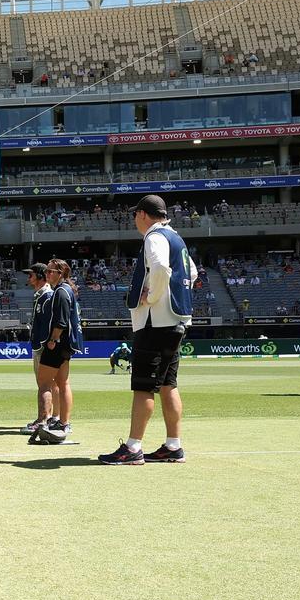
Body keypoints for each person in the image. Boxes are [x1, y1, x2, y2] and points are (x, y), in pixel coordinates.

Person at [99, 195, 197, 465]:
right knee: (168, 384)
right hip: (176, 319)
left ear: (143, 214)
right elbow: (193, 273)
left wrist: (151, 296)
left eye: (135, 215)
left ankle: (132, 449)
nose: (134, 220)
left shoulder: (155, 237)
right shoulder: (177, 238)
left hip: (156, 321)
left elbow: (161, 268)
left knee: (144, 386)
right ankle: (173, 445)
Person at [34, 259, 83, 444]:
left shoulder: (61, 292)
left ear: (60, 273)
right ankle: (64, 423)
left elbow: (61, 321)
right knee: (63, 382)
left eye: (50, 271)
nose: (46, 274)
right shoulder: (64, 290)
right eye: (46, 271)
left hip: (58, 342)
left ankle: (44, 421)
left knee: (44, 382)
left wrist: (53, 340)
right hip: (66, 344)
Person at [20, 264, 56, 434]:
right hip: (40, 346)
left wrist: (41, 343)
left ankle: (44, 419)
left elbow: (48, 323)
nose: (28, 278)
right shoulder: (41, 295)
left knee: (44, 385)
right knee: (46, 385)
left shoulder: (47, 295)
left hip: (42, 347)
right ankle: (48, 418)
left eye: (31, 275)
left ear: (40, 276)